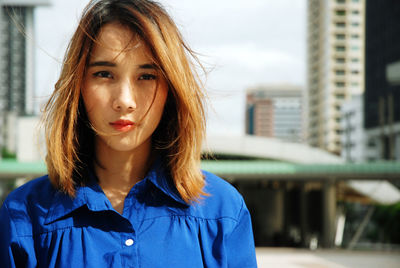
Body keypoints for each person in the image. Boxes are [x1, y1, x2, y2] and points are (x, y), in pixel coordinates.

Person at [0, 0, 257, 267]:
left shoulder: (223, 213)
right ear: (78, 85)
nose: (125, 100)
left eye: (146, 76)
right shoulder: (25, 216)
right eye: (104, 74)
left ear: (172, 89)